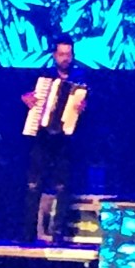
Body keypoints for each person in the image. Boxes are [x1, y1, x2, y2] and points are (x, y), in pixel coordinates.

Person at [21, 35, 88, 243]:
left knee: (63, 186)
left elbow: (91, 109)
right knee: (33, 185)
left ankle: (58, 232)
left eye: (68, 54)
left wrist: (82, 108)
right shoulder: (42, 76)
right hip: (42, 138)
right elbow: (24, 96)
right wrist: (27, 99)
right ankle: (28, 232)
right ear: (54, 55)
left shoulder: (81, 78)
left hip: (65, 141)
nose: (65, 58)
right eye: (61, 54)